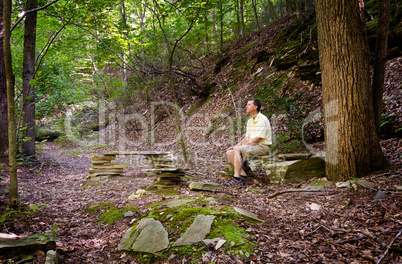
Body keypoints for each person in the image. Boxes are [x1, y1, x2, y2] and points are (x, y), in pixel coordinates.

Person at [224, 99, 272, 187]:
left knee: (237, 150)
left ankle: (236, 178)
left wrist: (240, 147)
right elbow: (246, 138)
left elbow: (257, 139)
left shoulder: (262, 119)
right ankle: (244, 176)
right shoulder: (250, 121)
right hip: (253, 146)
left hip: (262, 147)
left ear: (255, 107)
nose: (246, 106)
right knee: (229, 152)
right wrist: (236, 146)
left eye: (249, 105)